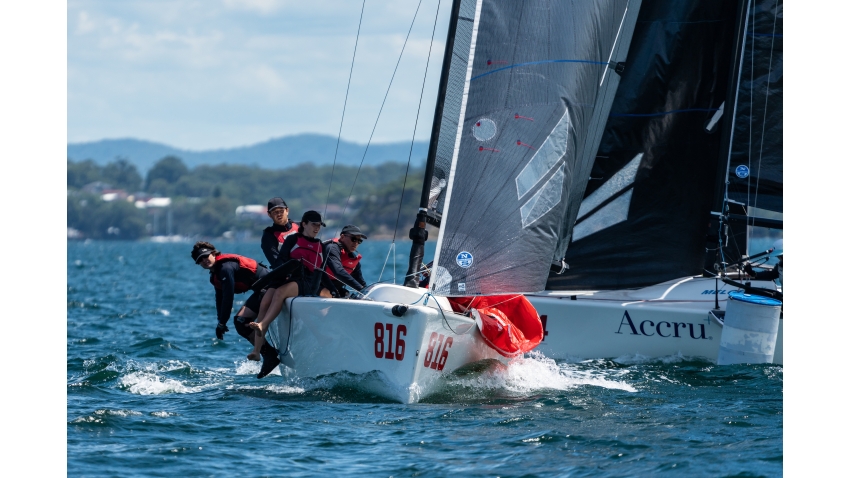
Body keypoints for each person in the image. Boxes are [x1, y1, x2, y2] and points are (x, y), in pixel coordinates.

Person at [248, 211, 332, 375]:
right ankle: (257, 351)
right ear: (304, 224)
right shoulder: (293, 240)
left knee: (280, 293)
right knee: (265, 301)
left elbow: (323, 272)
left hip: (306, 282)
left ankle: (263, 324)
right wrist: (286, 268)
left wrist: (335, 290)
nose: (316, 228)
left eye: (319, 225)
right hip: (287, 277)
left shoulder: (320, 245)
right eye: (313, 224)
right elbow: (280, 260)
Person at [191, 241, 281, 378]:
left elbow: (228, 298)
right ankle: (269, 355)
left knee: (240, 321)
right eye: (200, 260)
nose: (204, 260)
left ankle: (270, 355)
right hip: (262, 290)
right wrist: (220, 323)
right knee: (241, 322)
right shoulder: (215, 275)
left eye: (206, 256)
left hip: (272, 287)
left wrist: (223, 322)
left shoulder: (225, 268)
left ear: (214, 254)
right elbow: (219, 299)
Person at [322, 225, 368, 298]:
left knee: (350, 296)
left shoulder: (352, 257)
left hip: (336, 291)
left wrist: (367, 292)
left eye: (359, 241)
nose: (356, 243)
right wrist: (360, 289)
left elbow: (361, 282)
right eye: (353, 239)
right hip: (317, 288)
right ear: (342, 237)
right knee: (329, 293)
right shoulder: (332, 248)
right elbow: (338, 272)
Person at [261, 197, 299, 268]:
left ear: (287, 210)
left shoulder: (301, 227)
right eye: (275, 212)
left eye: (281, 211)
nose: (279, 214)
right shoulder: (269, 236)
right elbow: (276, 264)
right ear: (269, 214)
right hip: (288, 274)